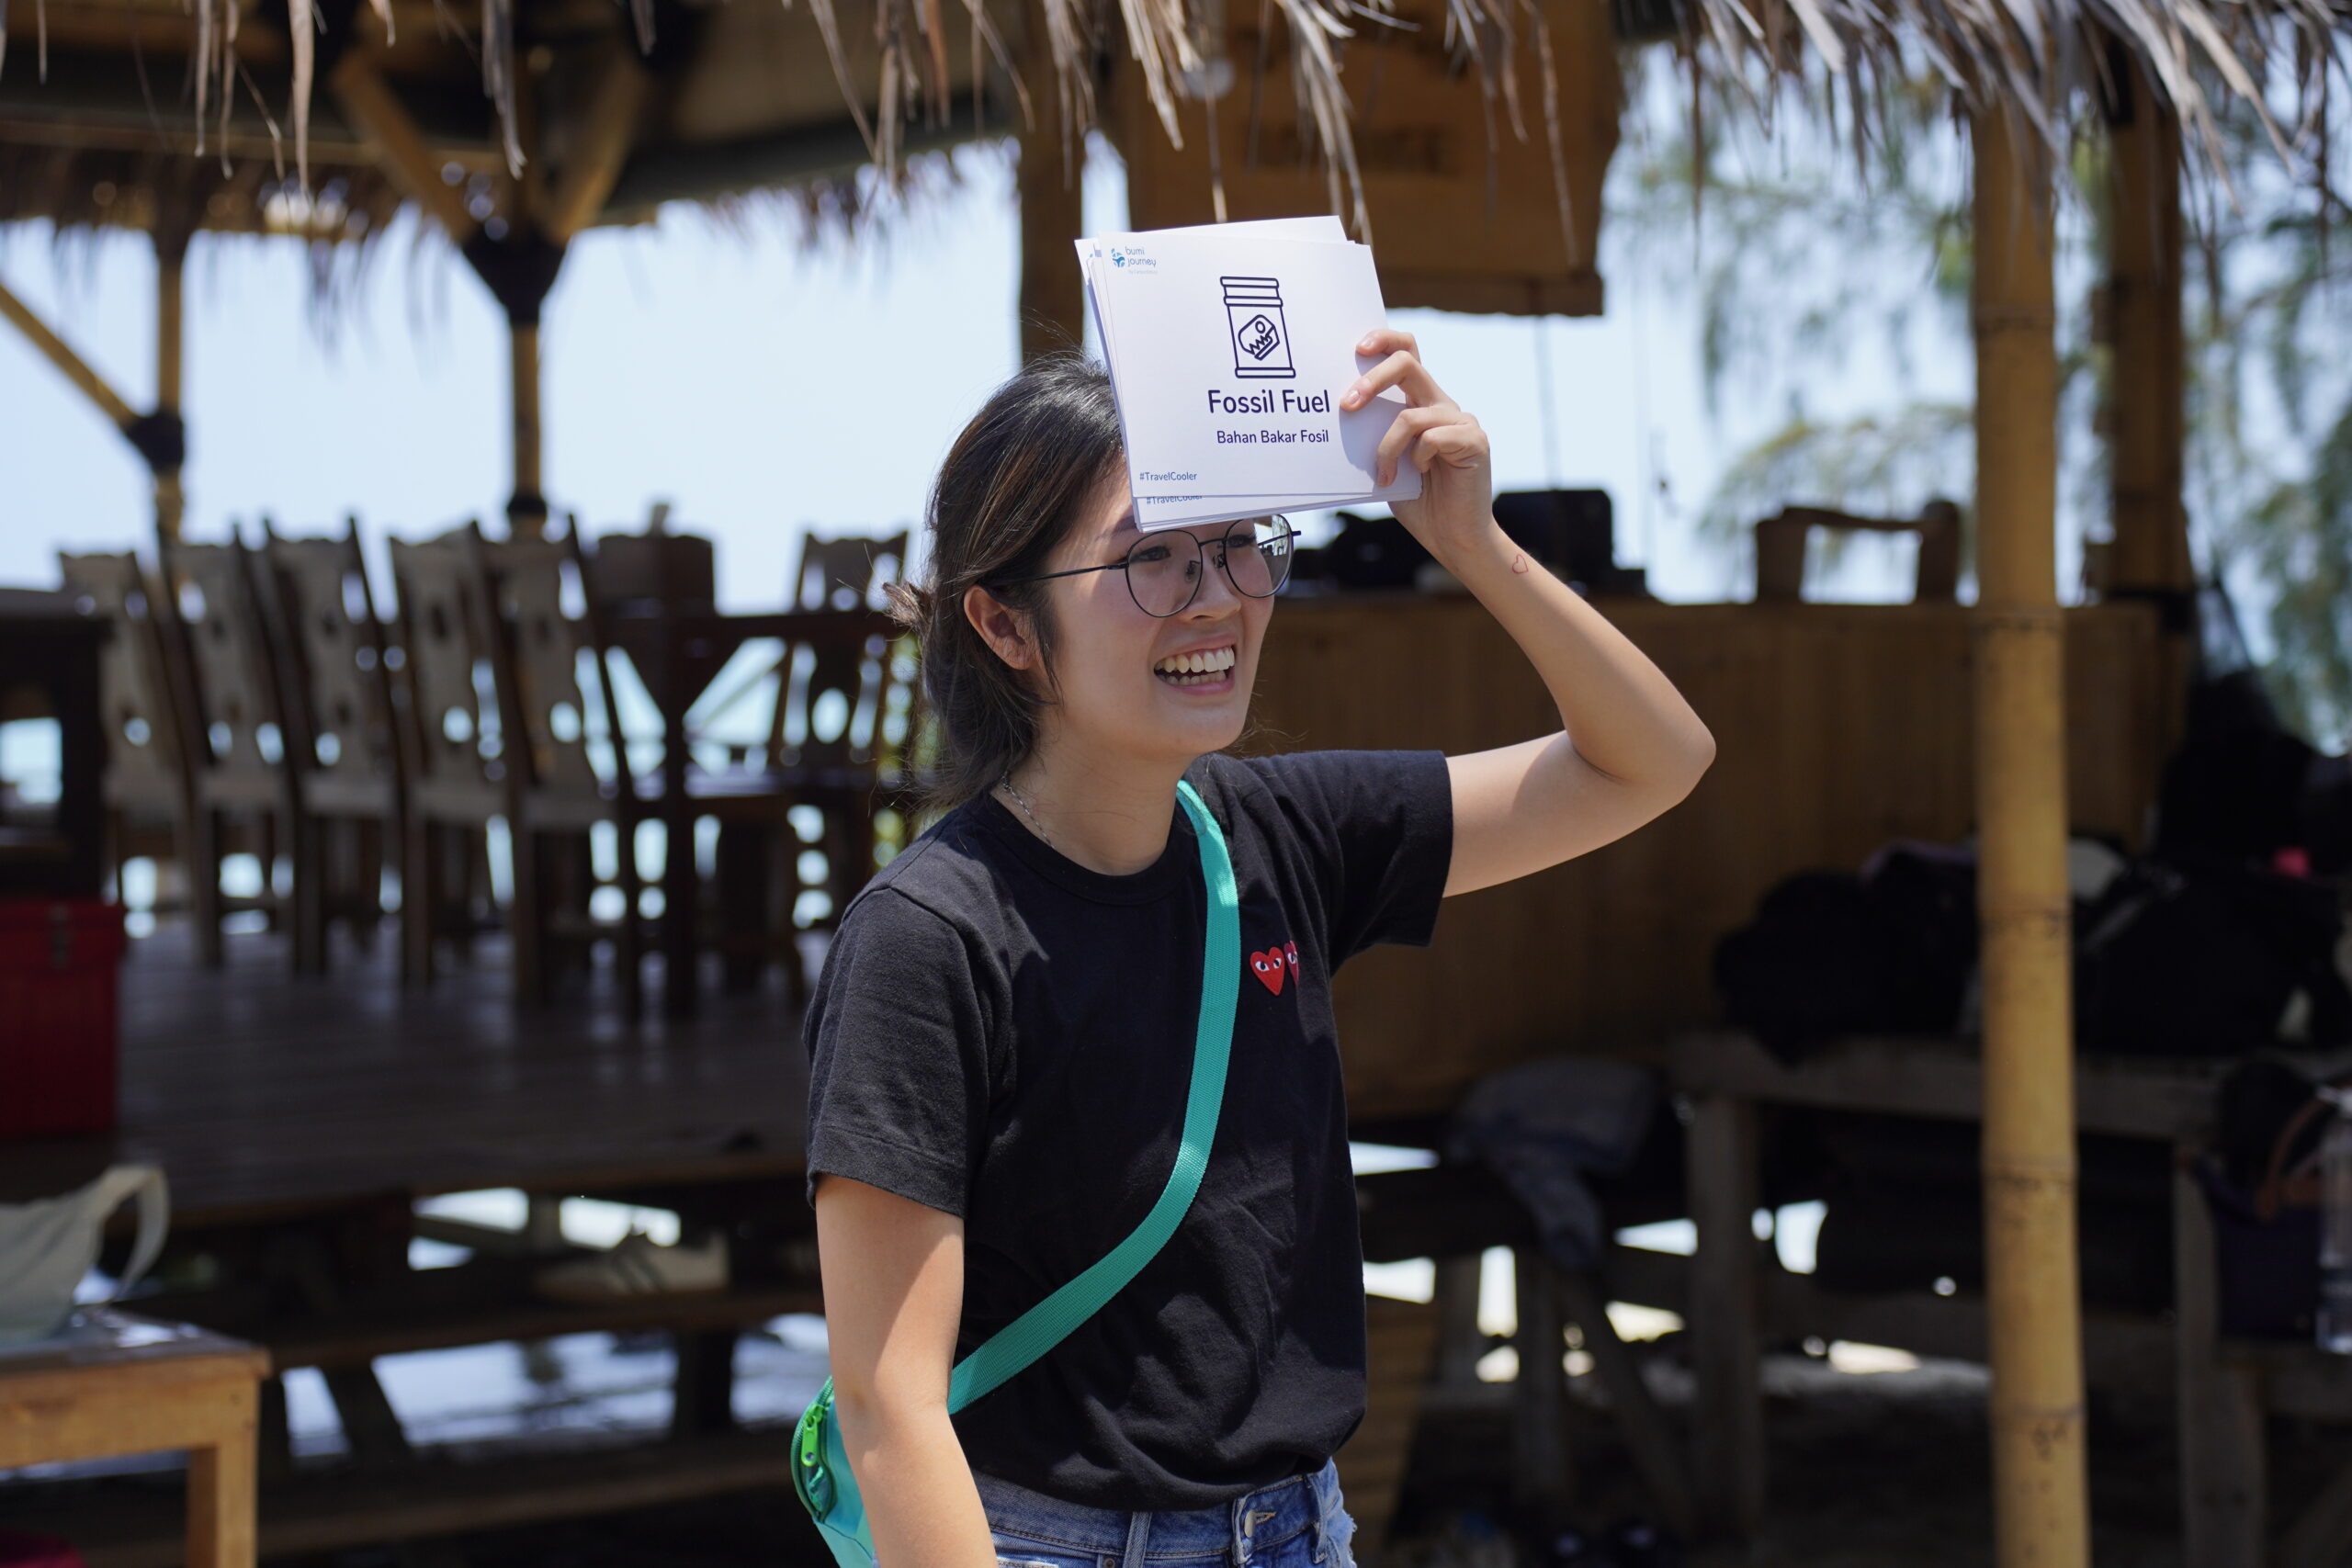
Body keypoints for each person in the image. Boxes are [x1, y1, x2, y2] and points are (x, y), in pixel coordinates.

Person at [804, 333, 1715, 1568]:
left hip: (1299, 1529)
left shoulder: (1280, 836)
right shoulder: (926, 940)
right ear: (1005, 626)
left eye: (1239, 543)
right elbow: (886, 1405)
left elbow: (1650, 762)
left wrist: (1470, 543)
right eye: (1153, 559)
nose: (1219, 595)